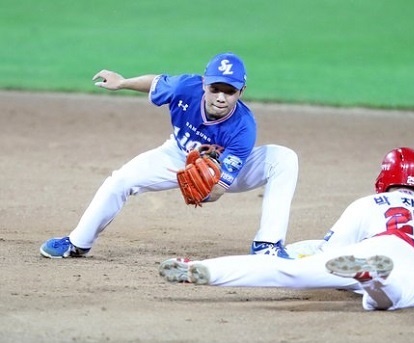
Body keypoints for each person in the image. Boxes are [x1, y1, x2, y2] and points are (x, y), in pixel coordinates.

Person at [40, 52, 298, 259]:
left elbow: (218, 190)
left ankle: (267, 244)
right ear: (204, 84)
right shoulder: (185, 88)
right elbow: (154, 83)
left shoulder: (244, 126)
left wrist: (203, 186)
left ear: (240, 92)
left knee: (283, 158)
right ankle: (77, 243)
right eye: (215, 88)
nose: (221, 97)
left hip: (224, 172)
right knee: (119, 181)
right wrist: (123, 83)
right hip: (176, 154)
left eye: (229, 91)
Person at [158, 147, 414, 311]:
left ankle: (200, 270)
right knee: (398, 298)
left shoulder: (370, 204)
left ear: (385, 176)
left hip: (377, 248)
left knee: (287, 273)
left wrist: (298, 255)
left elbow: (329, 251)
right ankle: (374, 279)